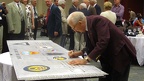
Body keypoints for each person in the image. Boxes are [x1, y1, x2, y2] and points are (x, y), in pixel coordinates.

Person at [67, 12, 136, 81]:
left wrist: (86, 60)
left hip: (120, 54)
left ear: (80, 23)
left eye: (73, 27)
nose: (74, 30)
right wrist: (77, 53)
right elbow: (90, 46)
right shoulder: (86, 27)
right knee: (104, 78)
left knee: (117, 78)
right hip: (108, 56)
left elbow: (103, 42)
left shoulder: (97, 21)